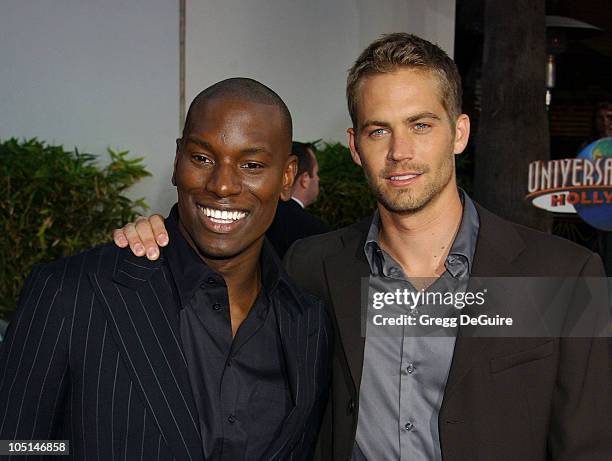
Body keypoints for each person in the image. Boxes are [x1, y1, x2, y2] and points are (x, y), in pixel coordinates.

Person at [112, 34, 611, 460]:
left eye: (421, 125)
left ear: (458, 133)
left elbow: (590, 446)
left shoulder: (564, 277)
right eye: (379, 131)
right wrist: (160, 236)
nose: (400, 153)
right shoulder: (311, 267)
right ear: (355, 146)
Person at [0, 78, 332, 461]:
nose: (222, 185)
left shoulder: (310, 322)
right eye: (203, 158)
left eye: (252, 164)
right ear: (178, 160)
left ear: (287, 178)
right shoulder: (72, 294)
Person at [266, 141, 330, 258]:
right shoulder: (314, 231)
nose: (318, 179)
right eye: (316, 173)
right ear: (305, 179)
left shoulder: (258, 220)